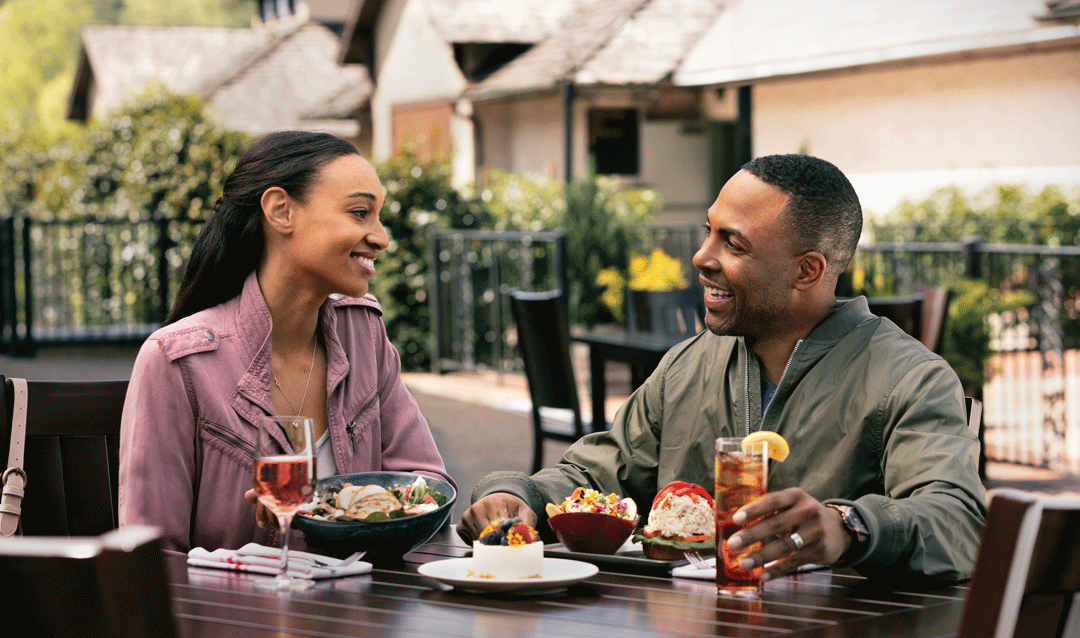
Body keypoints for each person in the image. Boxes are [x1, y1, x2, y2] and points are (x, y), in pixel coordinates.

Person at [459, 154, 986, 582]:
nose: (701, 257)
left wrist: (848, 527)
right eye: (708, 231)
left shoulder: (911, 379)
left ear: (808, 271)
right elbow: (592, 478)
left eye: (732, 243)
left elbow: (959, 524)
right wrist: (516, 496)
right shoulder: (687, 366)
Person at [119, 130, 454, 553]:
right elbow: (151, 559)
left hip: (363, 612)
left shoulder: (364, 332)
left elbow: (428, 487)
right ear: (281, 211)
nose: (380, 237)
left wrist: (330, 508)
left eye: (378, 216)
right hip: (235, 618)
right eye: (359, 213)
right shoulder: (177, 362)